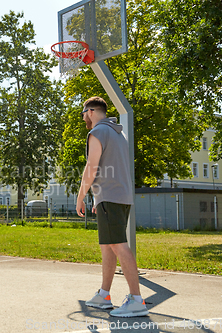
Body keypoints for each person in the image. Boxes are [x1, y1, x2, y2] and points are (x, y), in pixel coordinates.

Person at [76, 96, 148, 317]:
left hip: (110, 196)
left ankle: (136, 299)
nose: (84, 119)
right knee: (108, 246)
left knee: (117, 245)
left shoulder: (97, 132)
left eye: (83, 114)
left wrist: (81, 196)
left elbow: (92, 166)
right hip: (119, 196)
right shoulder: (119, 134)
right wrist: (99, 197)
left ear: (90, 111)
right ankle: (104, 294)